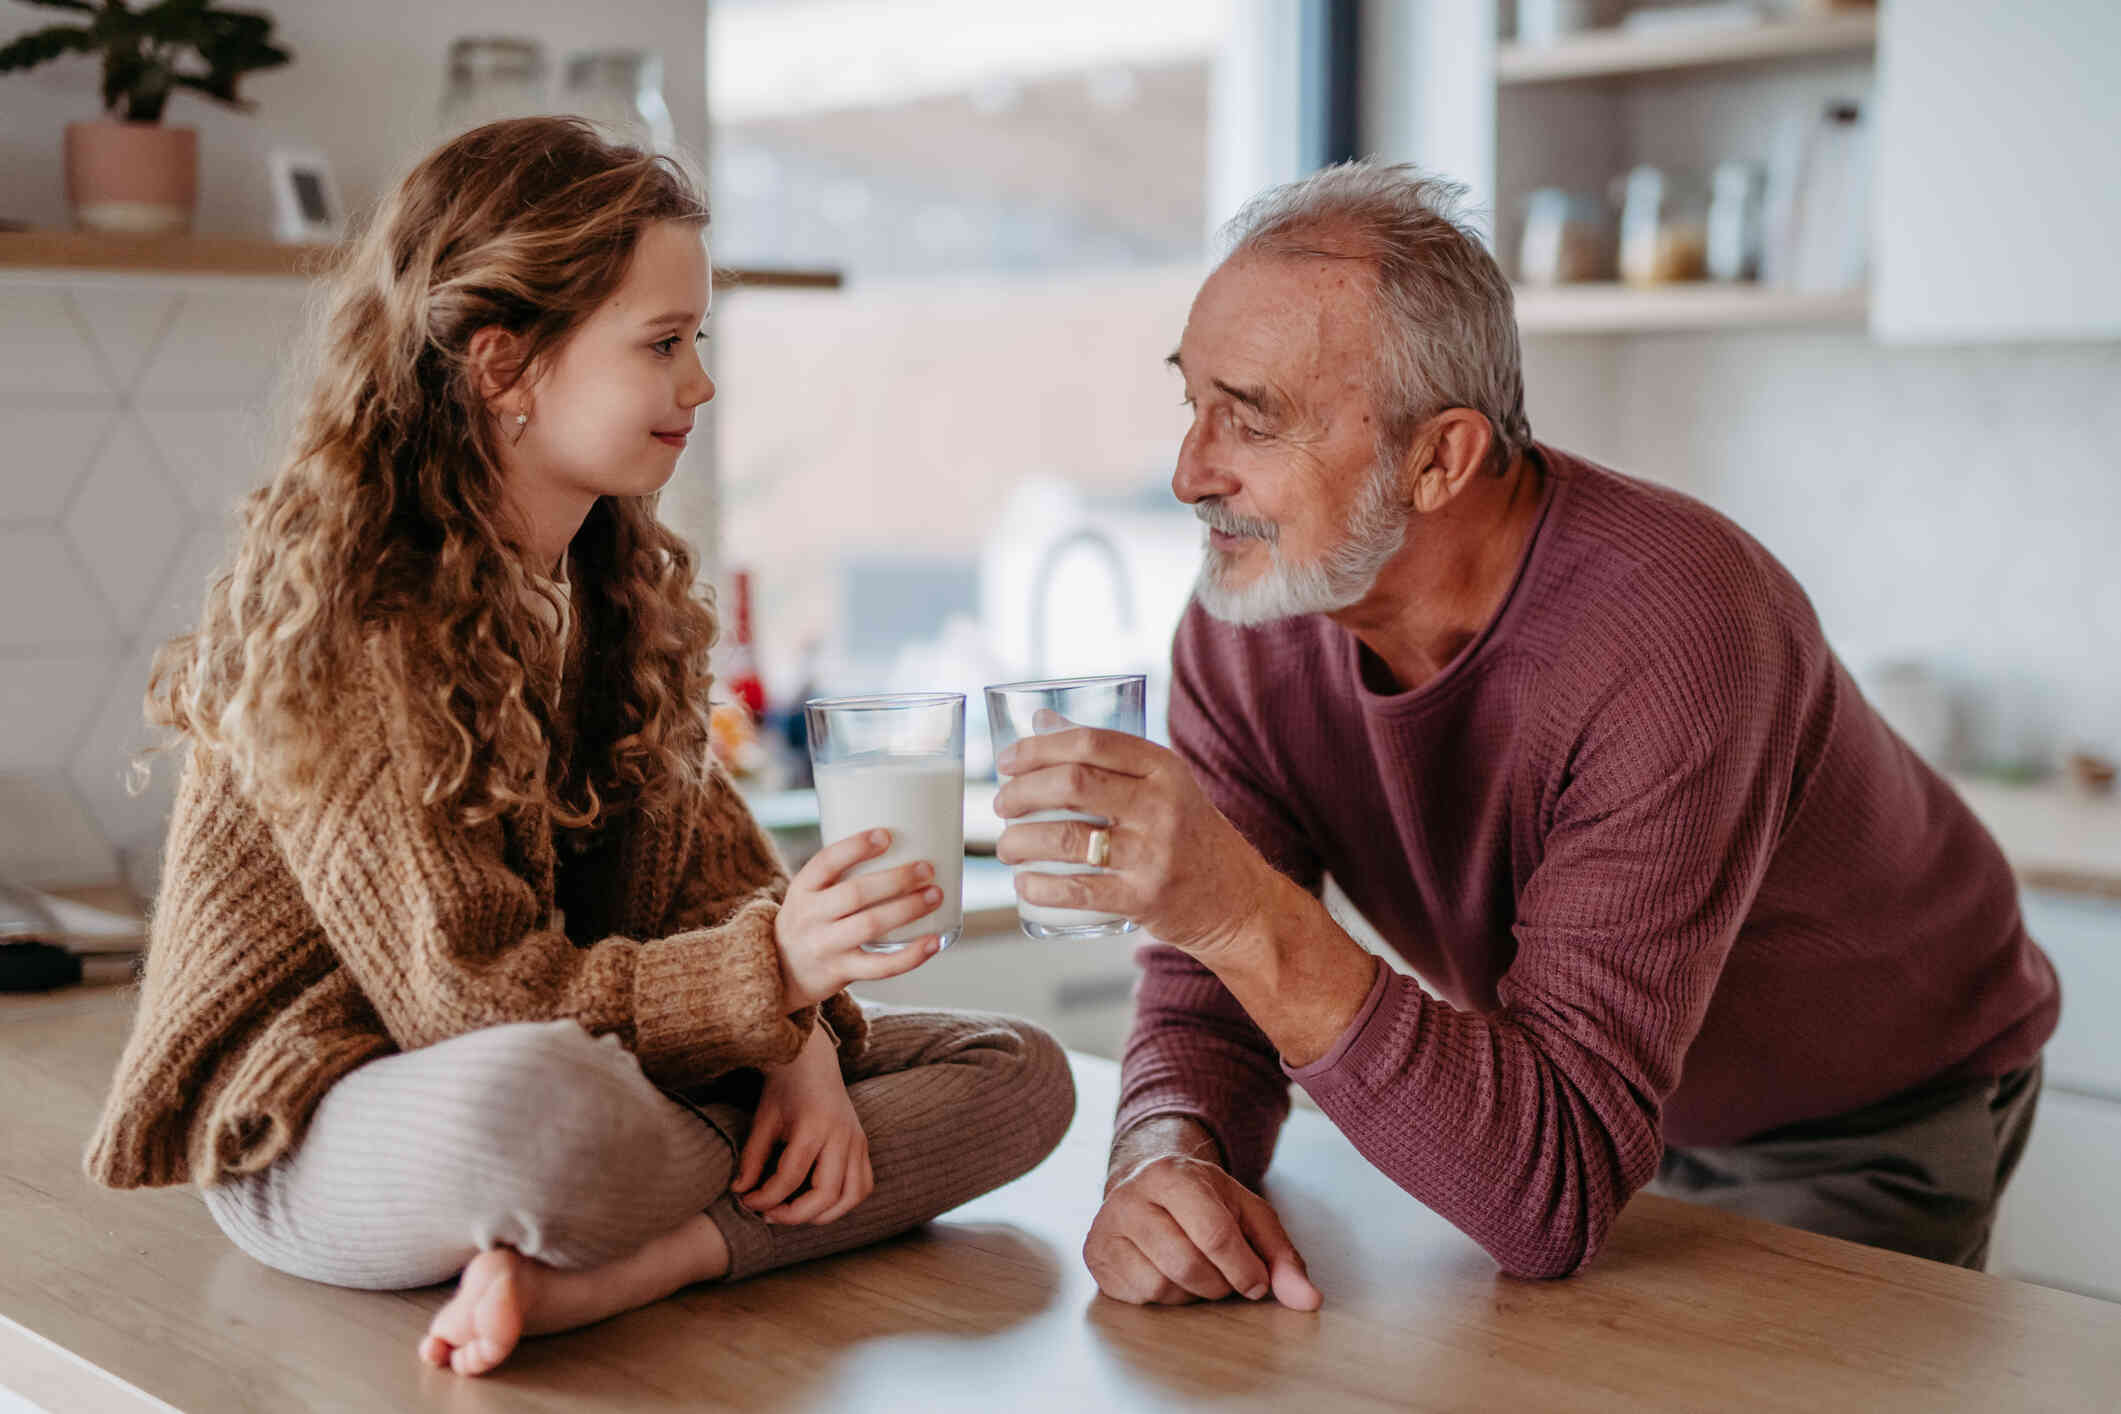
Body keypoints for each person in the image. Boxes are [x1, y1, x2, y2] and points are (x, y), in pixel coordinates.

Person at [82, 116, 1075, 1378]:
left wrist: (808, 1043)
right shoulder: (362, 617)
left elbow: (724, 883)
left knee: (1021, 1070)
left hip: (584, 1075)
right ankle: (632, 1213)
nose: (700, 384)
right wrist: (766, 983)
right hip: (345, 1120)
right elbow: (469, 1005)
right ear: (507, 368)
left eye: (697, 340)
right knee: (544, 1109)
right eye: (663, 344)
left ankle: (634, 1261)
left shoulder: (614, 586)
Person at [991, 162, 2057, 1305]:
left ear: (1441, 458)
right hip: (1587, 1107)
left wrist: (1232, 903)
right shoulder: (1252, 623)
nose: (1189, 472)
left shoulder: (1679, 629)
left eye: (1249, 421)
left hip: (1854, 1113)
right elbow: (1213, 998)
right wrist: (1166, 1152)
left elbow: (1551, 1195)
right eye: (1192, 402)